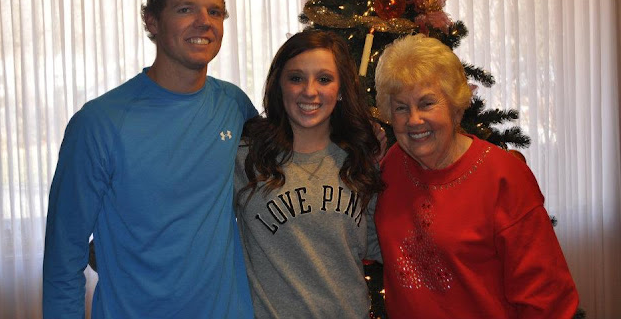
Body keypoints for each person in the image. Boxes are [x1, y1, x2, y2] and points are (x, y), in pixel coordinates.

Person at [43, 0, 257, 319]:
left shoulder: (234, 105)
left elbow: (287, 167)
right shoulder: (99, 123)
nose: (204, 21)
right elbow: (64, 258)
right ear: (152, 21)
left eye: (215, 11)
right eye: (185, 9)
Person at [373, 34, 579, 318]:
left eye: (427, 103)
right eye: (401, 107)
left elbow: (548, 299)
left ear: (455, 107)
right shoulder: (392, 165)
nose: (414, 119)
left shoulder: (503, 177)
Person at [234, 30, 385, 318]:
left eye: (324, 79)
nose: (309, 91)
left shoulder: (360, 159)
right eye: (296, 78)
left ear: (341, 90)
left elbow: (377, 243)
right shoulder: (246, 158)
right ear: (279, 85)